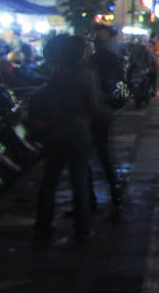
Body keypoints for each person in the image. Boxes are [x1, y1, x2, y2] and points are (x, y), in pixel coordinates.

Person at [34, 34, 113, 243]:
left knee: (49, 181)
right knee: (79, 181)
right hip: (78, 132)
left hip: (53, 131)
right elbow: (94, 107)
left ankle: (42, 227)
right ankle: (82, 227)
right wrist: (109, 114)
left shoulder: (53, 72)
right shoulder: (87, 75)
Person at [89, 24, 125, 215]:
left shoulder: (106, 59)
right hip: (97, 112)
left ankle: (113, 192)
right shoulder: (96, 58)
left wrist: (112, 105)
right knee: (100, 156)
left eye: (100, 35)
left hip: (99, 112)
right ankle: (105, 194)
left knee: (102, 155)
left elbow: (120, 85)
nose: (97, 38)